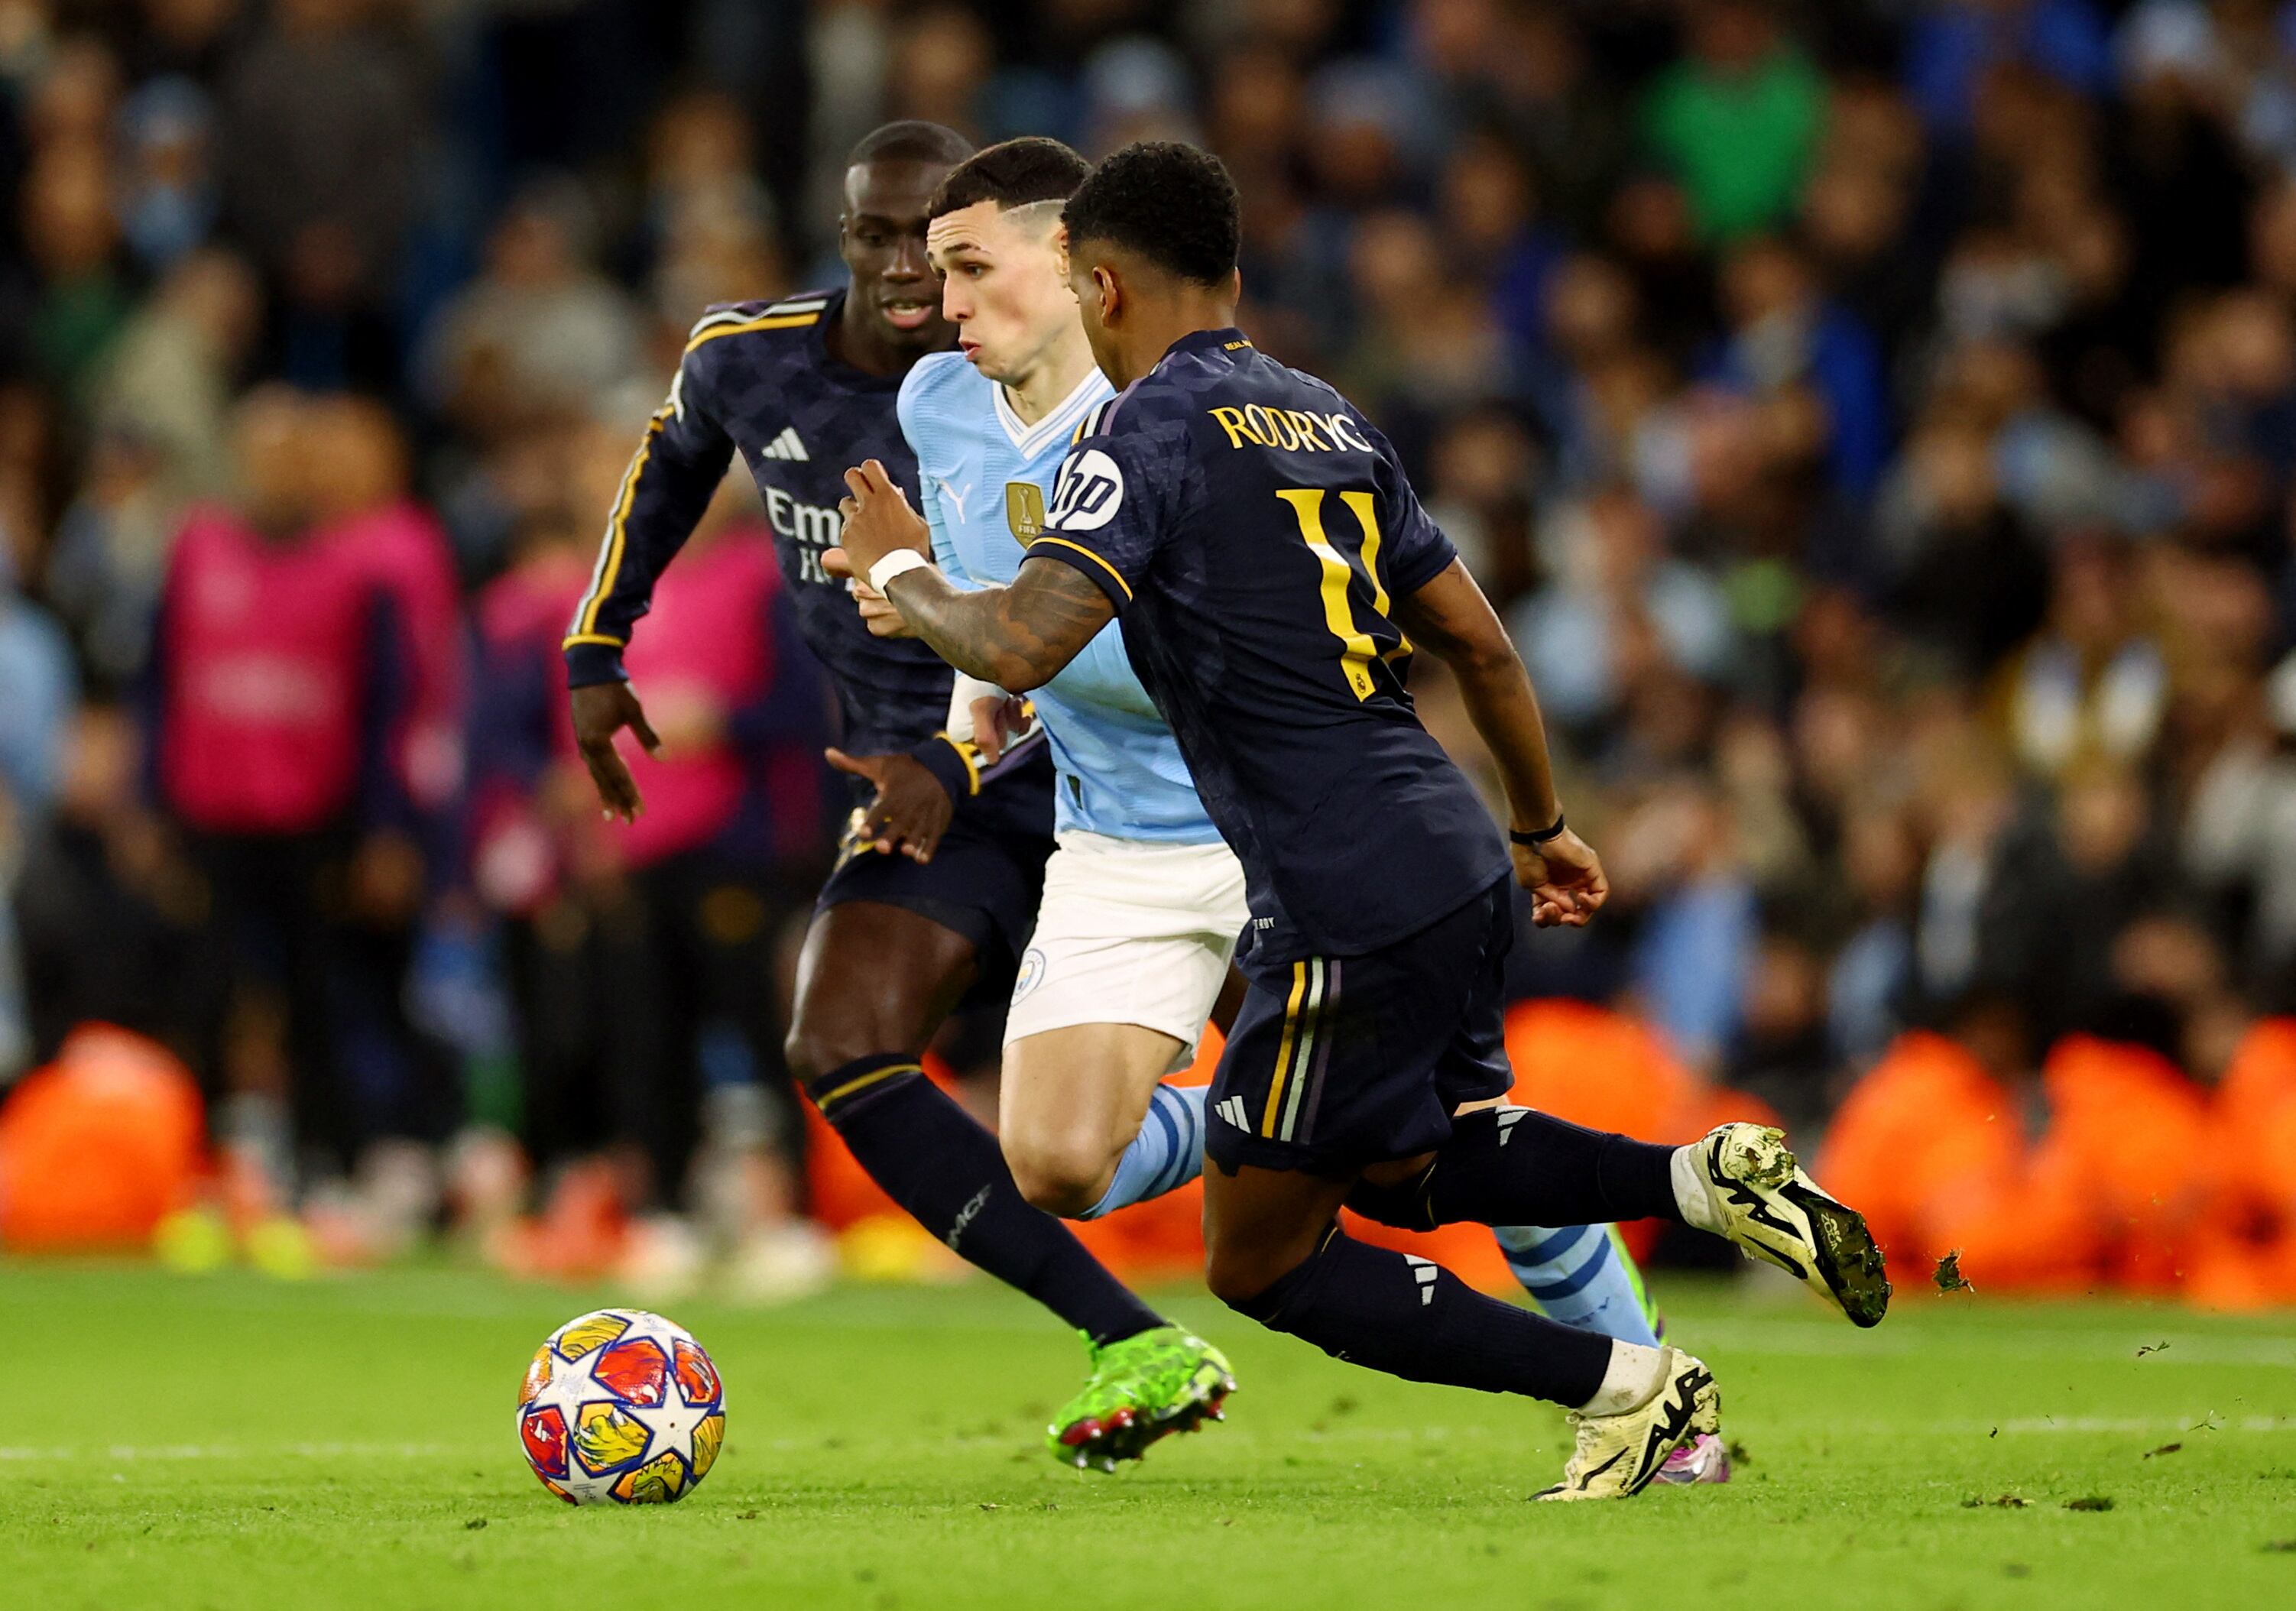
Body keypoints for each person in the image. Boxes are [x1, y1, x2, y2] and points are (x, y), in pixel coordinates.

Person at [832, 141, 1891, 1502]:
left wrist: (901, 570)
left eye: (972, 265)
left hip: (1318, 871)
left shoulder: (1136, 433)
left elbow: (1032, 633)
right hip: (1427, 837)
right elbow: (1484, 647)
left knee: (1262, 1260)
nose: (944, 298)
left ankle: (1632, 1388)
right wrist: (1540, 822)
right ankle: (1697, 1178)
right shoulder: (1321, 414)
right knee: (1403, 1156)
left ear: (1094, 283)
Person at [562, 122, 1231, 1470]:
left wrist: (960, 749)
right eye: (875, 234)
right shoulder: (749, 358)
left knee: (1393, 1087)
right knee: (840, 1039)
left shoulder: (1042, 384)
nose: (908, 269)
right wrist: (597, 642)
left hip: (1105, 768)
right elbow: (676, 457)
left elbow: (1076, 618)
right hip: (925, 785)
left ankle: (1358, 1130)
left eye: (937, 240)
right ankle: (1129, 1335)